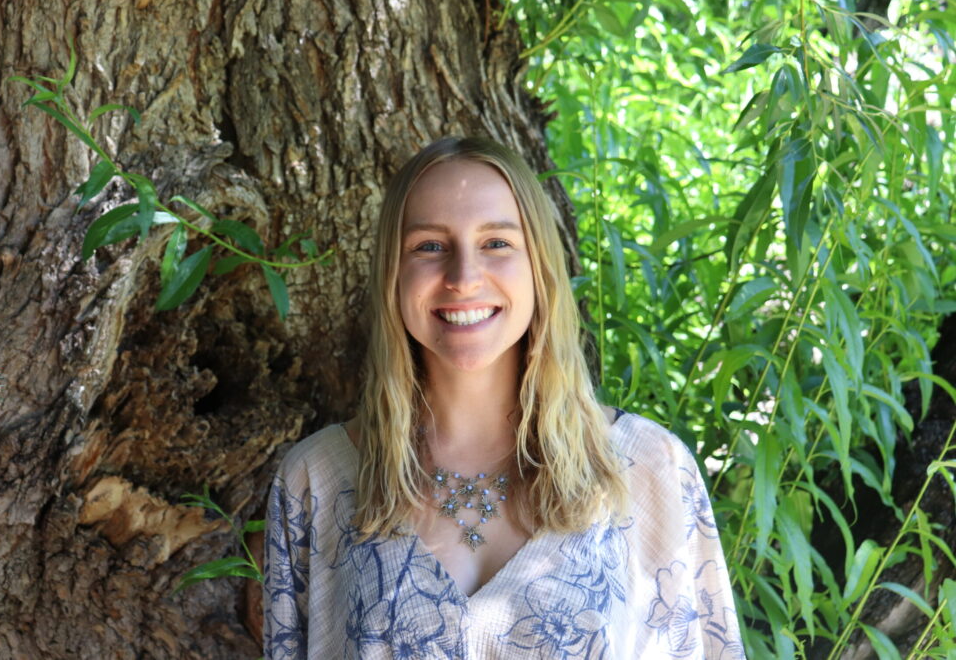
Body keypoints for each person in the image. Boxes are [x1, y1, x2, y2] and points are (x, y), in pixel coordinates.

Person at [264, 137, 744, 659]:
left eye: (497, 242)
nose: (464, 278)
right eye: (429, 246)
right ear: (391, 275)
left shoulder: (648, 468)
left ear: (539, 266)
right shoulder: (316, 480)